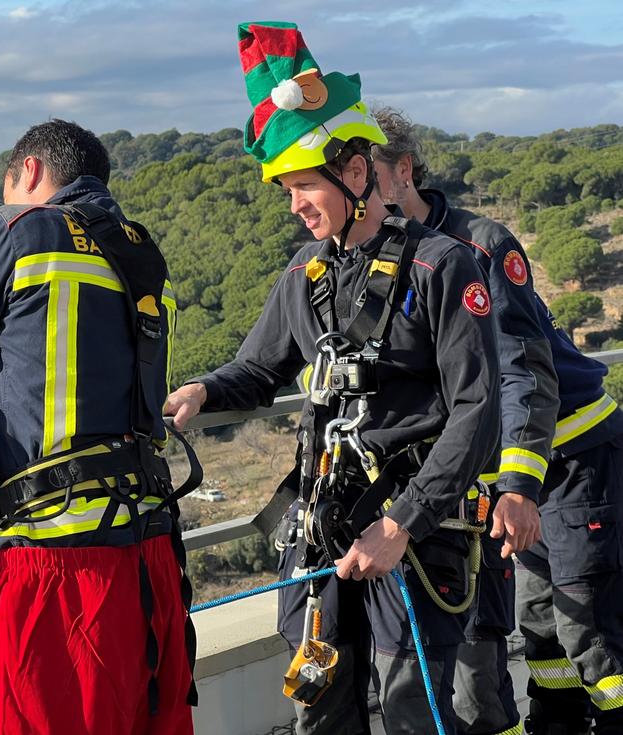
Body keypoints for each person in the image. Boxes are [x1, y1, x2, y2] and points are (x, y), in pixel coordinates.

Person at [164, 22, 500, 734]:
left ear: (354, 174)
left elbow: (476, 409)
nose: (294, 205)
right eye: (285, 190)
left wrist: (400, 522)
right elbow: (259, 367)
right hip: (321, 533)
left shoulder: (441, 267)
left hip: (409, 534)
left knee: (409, 704)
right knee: (318, 708)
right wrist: (203, 389)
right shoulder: (303, 274)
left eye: (302, 186)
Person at [0, 119, 196, 734]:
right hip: (151, 556)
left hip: (61, 571)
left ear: (28, 171)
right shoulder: (139, 249)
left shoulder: (23, 230)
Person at [373, 107, 623, 735]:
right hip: (503, 474)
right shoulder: (384, 259)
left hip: (567, 454)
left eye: (366, 175)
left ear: (404, 172)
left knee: (587, 624)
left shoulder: (480, 244)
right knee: (538, 629)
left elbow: (519, 372)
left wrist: (516, 483)